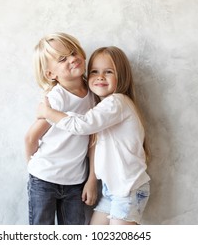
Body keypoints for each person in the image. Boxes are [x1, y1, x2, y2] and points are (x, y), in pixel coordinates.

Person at [37, 46, 150, 225]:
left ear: (121, 76)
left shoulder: (116, 103)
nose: (100, 76)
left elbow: (82, 125)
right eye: (94, 71)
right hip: (111, 189)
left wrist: (48, 112)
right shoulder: (103, 108)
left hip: (128, 189)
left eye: (108, 72)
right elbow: (95, 144)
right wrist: (92, 180)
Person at [24, 32, 98, 225]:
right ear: (51, 74)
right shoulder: (57, 99)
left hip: (75, 183)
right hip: (44, 180)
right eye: (62, 59)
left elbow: (93, 141)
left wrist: (91, 179)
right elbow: (30, 138)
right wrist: (33, 168)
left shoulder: (94, 93)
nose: (72, 59)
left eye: (73, 52)